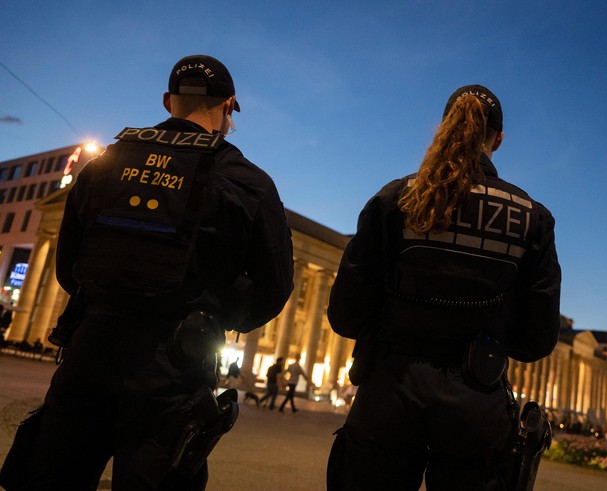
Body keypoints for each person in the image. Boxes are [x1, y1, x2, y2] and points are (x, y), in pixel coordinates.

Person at [0, 54, 293, 491]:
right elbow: (275, 286)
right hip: (175, 366)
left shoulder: (105, 164)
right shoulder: (247, 181)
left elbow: (69, 264)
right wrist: (215, 317)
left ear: (166, 101)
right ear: (229, 105)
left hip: (90, 351)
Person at [326, 85, 561, 490]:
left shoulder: (395, 198)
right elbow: (537, 339)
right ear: (498, 140)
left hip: (390, 391)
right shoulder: (531, 217)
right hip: (477, 399)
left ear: (443, 128)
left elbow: (346, 313)